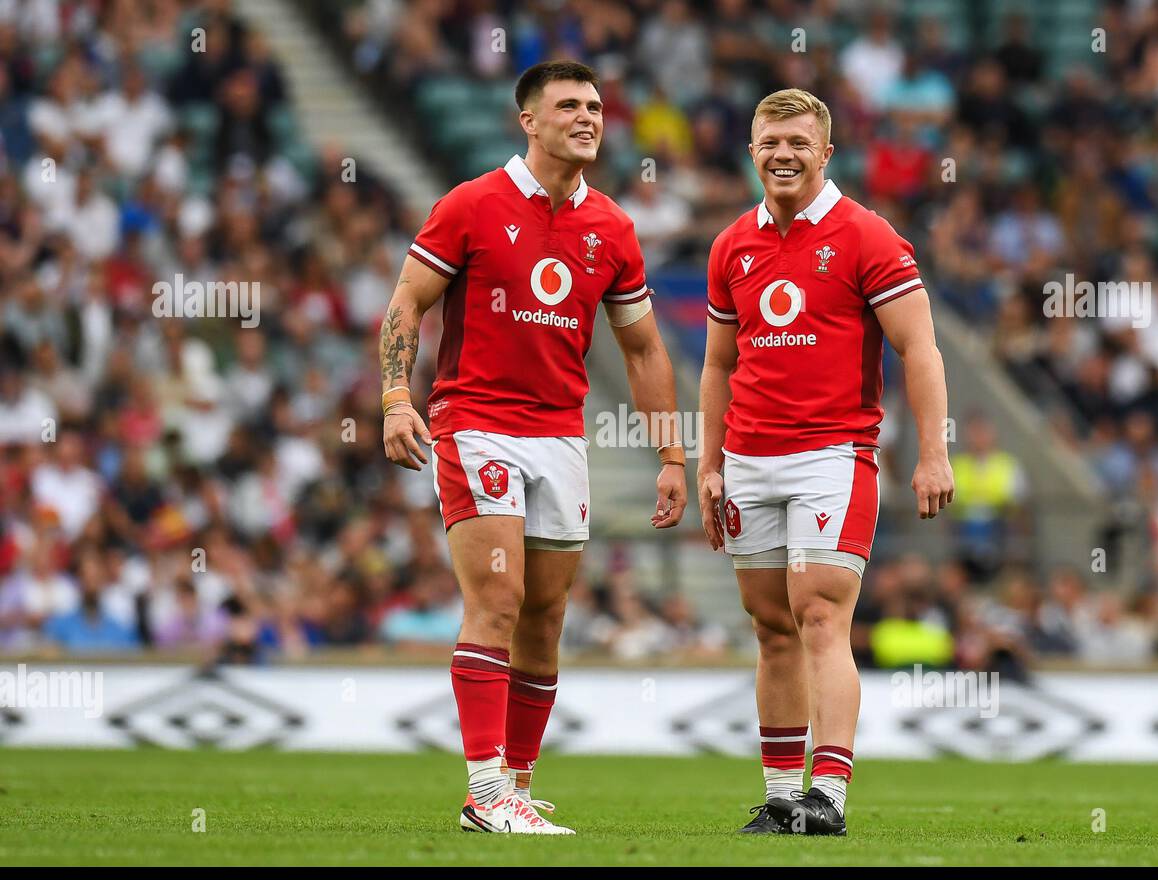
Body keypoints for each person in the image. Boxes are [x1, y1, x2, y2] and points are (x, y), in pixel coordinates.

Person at [379, 61, 686, 835]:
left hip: (560, 435)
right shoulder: (472, 205)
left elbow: (645, 351)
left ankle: (513, 783)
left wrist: (673, 456)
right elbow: (407, 302)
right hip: (477, 423)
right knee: (498, 600)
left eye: (594, 106)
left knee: (545, 618)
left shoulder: (612, 227)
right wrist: (393, 398)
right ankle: (486, 792)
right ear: (529, 120)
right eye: (568, 106)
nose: (587, 117)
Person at [698, 89, 954, 836]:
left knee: (818, 614)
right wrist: (708, 464)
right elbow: (717, 366)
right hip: (747, 458)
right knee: (770, 626)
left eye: (798, 143)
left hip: (831, 457)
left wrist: (934, 451)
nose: (782, 154)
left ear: (826, 153)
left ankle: (829, 797)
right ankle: (782, 799)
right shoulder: (730, 246)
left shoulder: (868, 237)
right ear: (751, 151)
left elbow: (921, 349)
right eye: (769, 141)